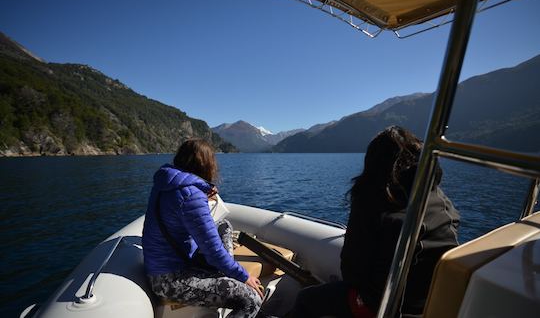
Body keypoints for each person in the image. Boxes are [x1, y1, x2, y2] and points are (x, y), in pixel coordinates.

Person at [293, 126, 460, 317]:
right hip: (432, 305)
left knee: (305, 300)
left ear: (373, 161)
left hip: (384, 307)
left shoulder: (372, 199)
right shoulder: (440, 200)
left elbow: (352, 273)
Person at [142, 139, 263, 318]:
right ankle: (227, 271)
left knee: (224, 225)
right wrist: (243, 276)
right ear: (207, 164)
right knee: (252, 300)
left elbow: (183, 212)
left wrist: (203, 193)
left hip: (166, 264)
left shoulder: (167, 183)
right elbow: (213, 251)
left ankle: (224, 270)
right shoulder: (191, 195)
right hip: (171, 280)